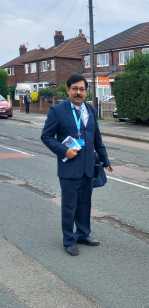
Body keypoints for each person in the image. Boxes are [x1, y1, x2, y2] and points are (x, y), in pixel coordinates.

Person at [41, 75, 114, 256]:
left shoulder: (91, 110)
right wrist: (63, 151)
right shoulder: (57, 111)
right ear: (68, 90)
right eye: (75, 88)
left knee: (84, 204)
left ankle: (83, 235)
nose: (78, 92)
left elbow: (97, 138)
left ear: (86, 91)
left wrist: (105, 160)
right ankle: (69, 240)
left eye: (82, 89)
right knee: (69, 206)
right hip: (69, 168)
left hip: (88, 167)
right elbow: (46, 136)